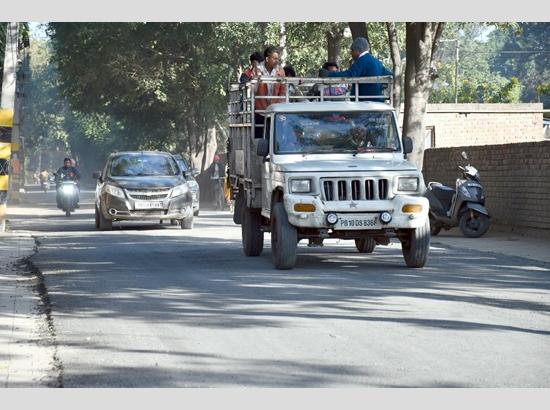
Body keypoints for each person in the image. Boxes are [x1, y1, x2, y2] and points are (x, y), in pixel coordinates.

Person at [320, 37, 392, 101]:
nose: (351, 54)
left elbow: (349, 74)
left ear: (357, 50)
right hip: (378, 100)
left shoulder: (361, 61)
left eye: (352, 51)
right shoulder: (377, 62)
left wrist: (329, 74)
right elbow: (390, 75)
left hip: (364, 103)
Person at [254, 46, 286, 138]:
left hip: (275, 110)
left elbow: (283, 90)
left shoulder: (280, 70)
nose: (277, 61)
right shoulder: (259, 69)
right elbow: (256, 85)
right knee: (260, 136)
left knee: (276, 136)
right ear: (267, 59)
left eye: (278, 59)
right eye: (274, 58)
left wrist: (279, 106)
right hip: (261, 110)